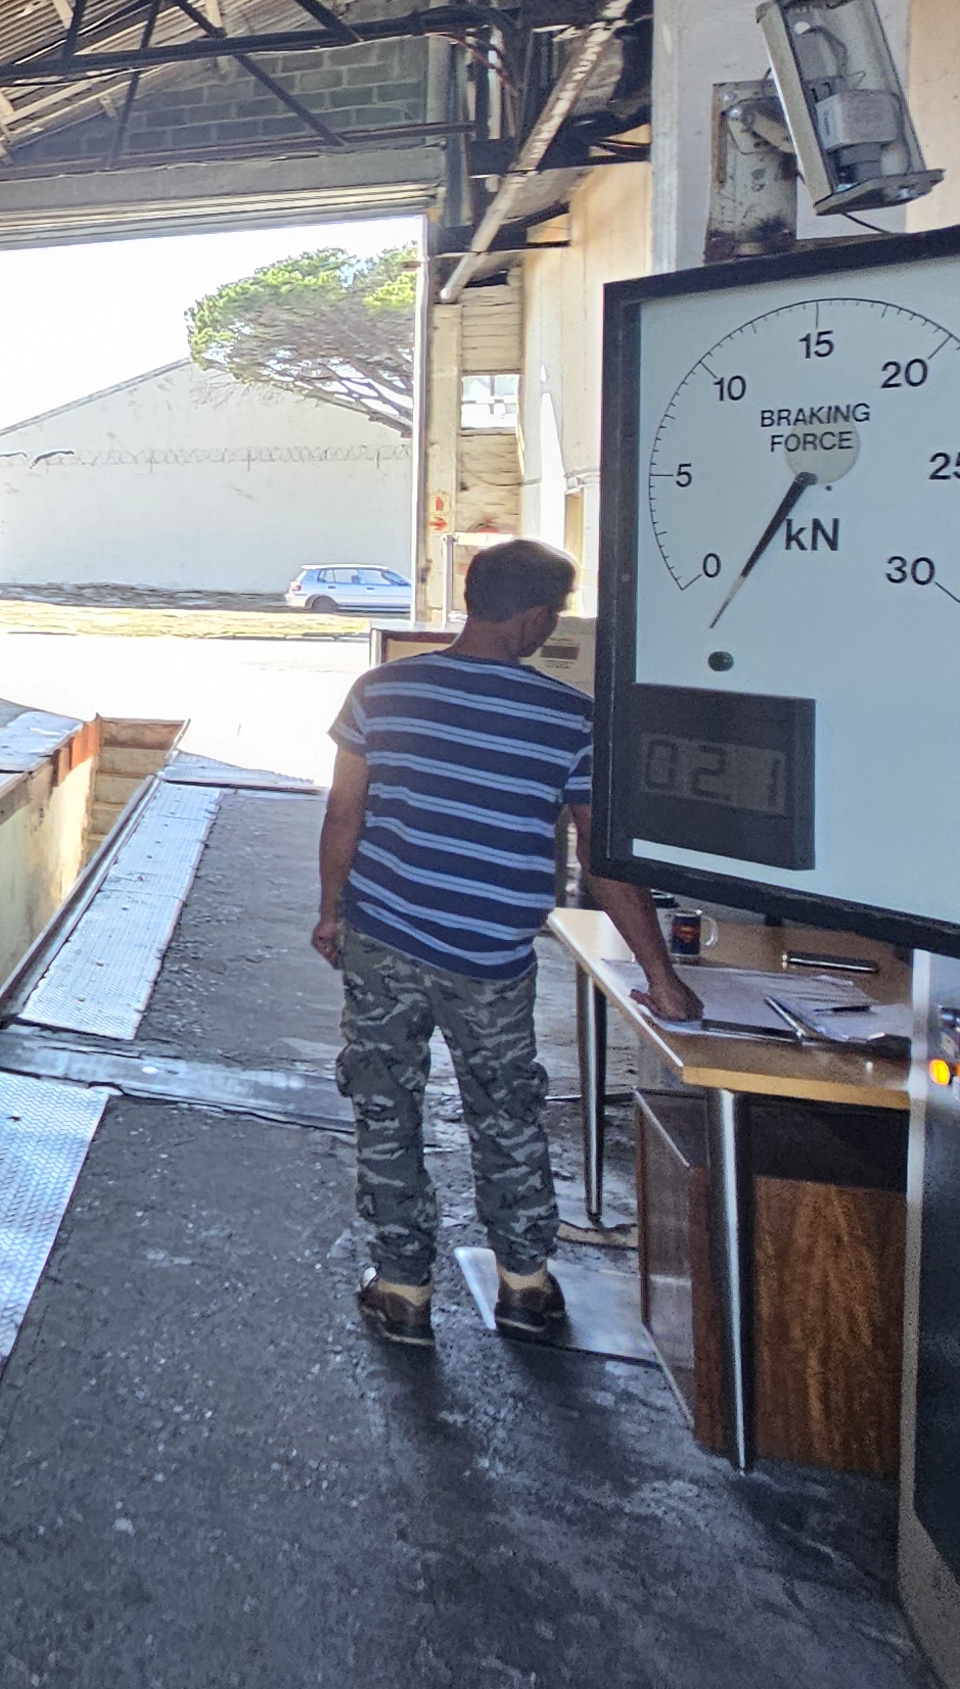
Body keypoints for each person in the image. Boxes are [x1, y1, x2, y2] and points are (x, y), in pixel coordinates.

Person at [311, 539, 697, 1348]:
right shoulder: (570, 718)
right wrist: (660, 975)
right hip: (490, 957)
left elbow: (344, 812)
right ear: (532, 618)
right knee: (507, 1115)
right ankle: (524, 1286)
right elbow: (603, 861)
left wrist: (330, 912)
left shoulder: (381, 690)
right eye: (551, 616)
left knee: (386, 1110)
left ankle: (403, 1290)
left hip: (383, 935)